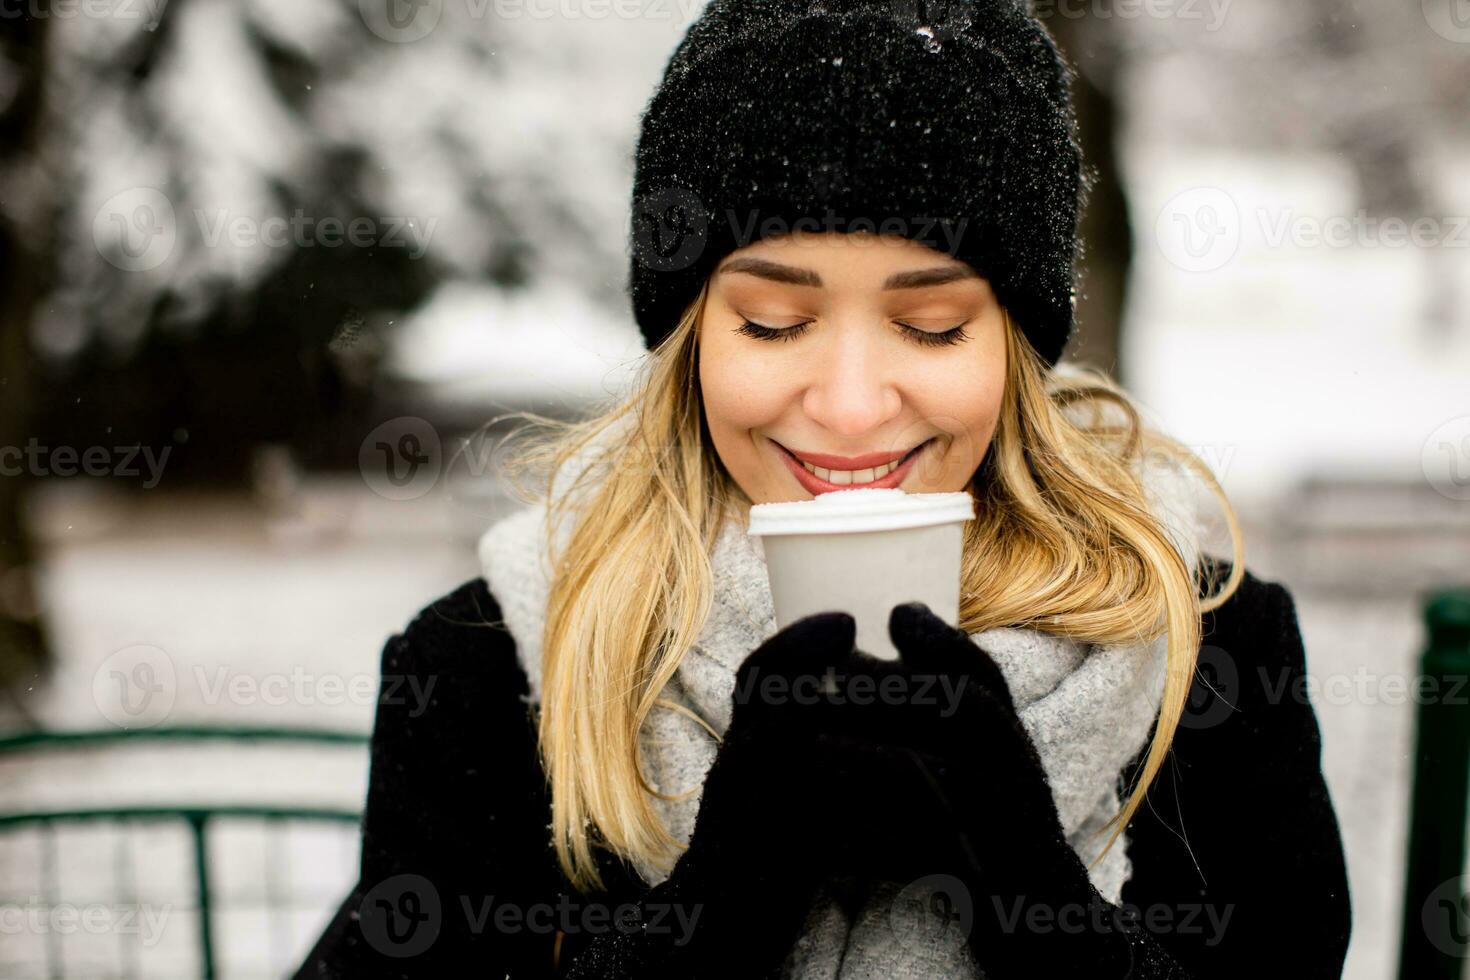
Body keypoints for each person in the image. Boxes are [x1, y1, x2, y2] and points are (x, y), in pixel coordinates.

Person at [294, 0, 1352, 976]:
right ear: (689, 338)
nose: (850, 407)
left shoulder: (1205, 651)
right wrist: (723, 899)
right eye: (772, 322)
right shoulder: (495, 660)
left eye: (931, 325)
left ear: (1017, 347)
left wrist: (1025, 882)